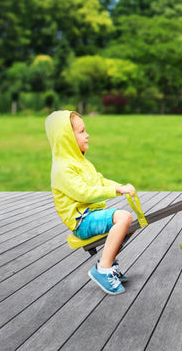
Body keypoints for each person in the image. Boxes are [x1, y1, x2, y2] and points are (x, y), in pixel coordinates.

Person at [45, 110, 136, 295]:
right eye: (81, 131)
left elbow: (100, 181)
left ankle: (107, 263)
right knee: (124, 217)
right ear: (67, 138)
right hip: (82, 220)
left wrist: (120, 185)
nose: (87, 135)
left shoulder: (81, 162)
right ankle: (103, 269)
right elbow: (84, 193)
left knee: (131, 224)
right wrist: (117, 190)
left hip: (90, 215)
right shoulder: (63, 169)